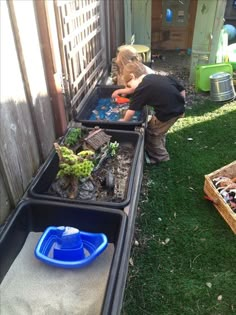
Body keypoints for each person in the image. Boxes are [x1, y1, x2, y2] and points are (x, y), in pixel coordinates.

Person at [120, 61, 186, 164]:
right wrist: (180, 102)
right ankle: (161, 142)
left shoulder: (141, 88)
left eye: (129, 85)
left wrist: (124, 120)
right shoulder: (155, 77)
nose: (130, 88)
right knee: (158, 129)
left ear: (132, 76)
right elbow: (181, 89)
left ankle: (161, 157)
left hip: (167, 113)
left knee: (152, 133)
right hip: (178, 108)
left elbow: (131, 111)